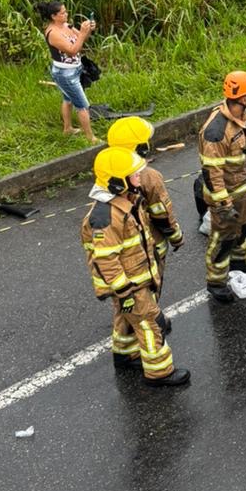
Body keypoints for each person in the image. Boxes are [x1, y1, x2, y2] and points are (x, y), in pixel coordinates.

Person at [81, 146, 190, 388]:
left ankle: (125, 355)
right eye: (134, 175)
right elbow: (106, 261)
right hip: (130, 284)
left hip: (137, 277)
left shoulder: (128, 202)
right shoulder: (105, 217)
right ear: (118, 183)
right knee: (150, 323)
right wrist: (124, 292)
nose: (140, 177)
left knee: (126, 316)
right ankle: (159, 372)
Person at [106, 116, 183, 331]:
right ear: (139, 147)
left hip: (122, 254)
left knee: (126, 301)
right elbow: (162, 213)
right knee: (148, 294)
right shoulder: (149, 177)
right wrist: (176, 236)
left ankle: (123, 347)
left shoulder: (108, 175)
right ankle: (150, 327)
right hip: (149, 248)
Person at [197, 71, 246, 304]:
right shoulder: (216, 132)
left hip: (243, 188)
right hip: (225, 195)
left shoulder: (245, 116)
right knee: (223, 238)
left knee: (244, 226)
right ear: (242, 98)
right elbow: (212, 173)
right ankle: (216, 281)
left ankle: (241, 261)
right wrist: (223, 204)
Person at [36, 0, 100, 144]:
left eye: (66, 11)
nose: (66, 14)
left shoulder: (66, 26)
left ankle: (68, 128)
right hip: (65, 73)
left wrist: (88, 30)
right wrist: (83, 33)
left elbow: (82, 39)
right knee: (83, 106)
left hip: (75, 68)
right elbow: (72, 51)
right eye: (63, 13)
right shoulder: (53, 33)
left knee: (68, 99)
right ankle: (91, 138)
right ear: (54, 16)